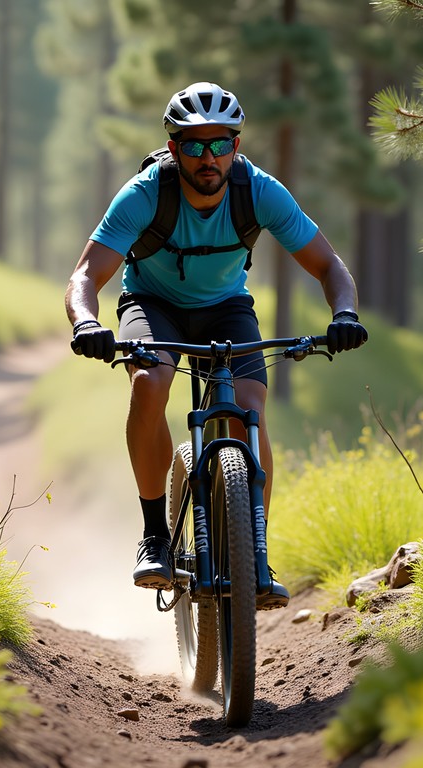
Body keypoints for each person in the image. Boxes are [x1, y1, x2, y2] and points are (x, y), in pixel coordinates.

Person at [64, 82, 367, 610]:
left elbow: (328, 265)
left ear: (237, 145)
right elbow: (87, 274)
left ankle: (255, 553)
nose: (209, 158)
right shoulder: (144, 194)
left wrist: (344, 313)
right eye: (195, 145)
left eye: (220, 144)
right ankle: (155, 535)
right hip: (151, 303)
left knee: (250, 408)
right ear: (174, 147)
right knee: (149, 382)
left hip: (226, 307)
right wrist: (86, 322)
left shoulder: (261, 192)